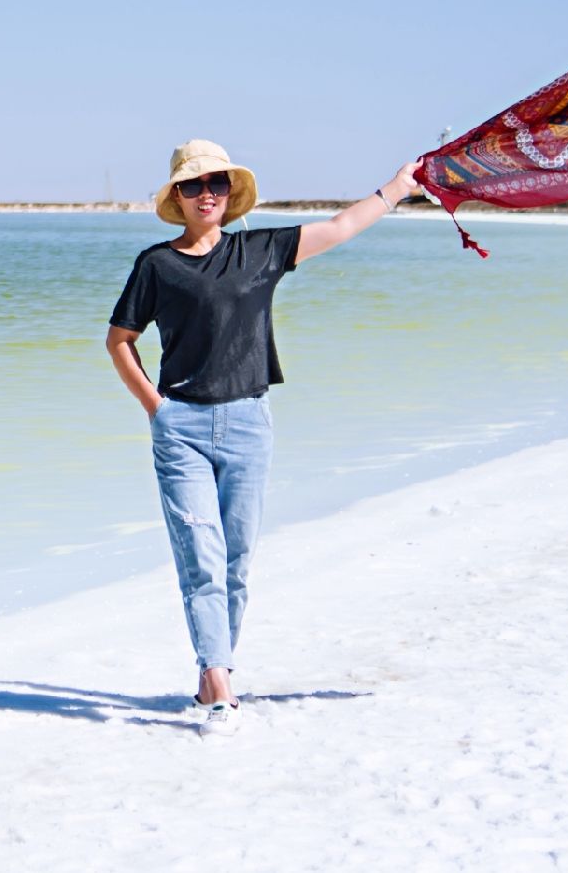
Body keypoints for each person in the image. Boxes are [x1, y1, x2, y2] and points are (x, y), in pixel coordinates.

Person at [104, 138, 422, 733]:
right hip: (183, 429)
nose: (207, 194)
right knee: (202, 555)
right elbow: (119, 340)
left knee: (237, 561)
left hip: (250, 424)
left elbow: (340, 226)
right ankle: (219, 681)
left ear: (230, 192)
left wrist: (398, 187)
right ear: (177, 195)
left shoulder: (261, 250)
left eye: (217, 184)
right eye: (195, 185)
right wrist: (157, 409)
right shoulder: (156, 264)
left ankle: (210, 676)